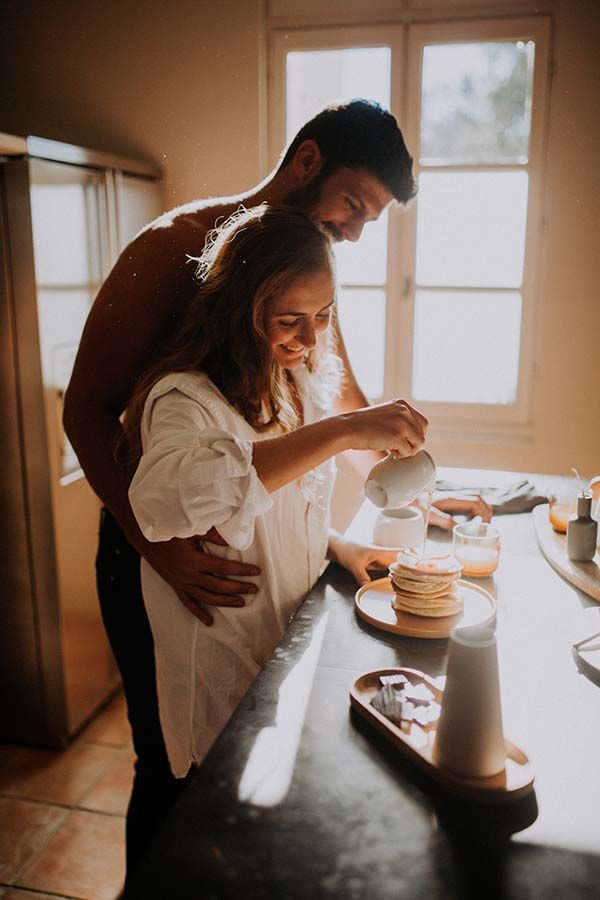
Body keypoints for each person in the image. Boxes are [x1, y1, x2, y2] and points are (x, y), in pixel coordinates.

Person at [63, 99, 491, 872]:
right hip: (151, 541)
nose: (355, 231)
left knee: (238, 752)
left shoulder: (301, 267)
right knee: (168, 761)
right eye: (353, 206)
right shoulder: (174, 248)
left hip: (241, 533)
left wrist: (418, 489)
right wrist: (153, 548)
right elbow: (85, 409)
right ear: (307, 164)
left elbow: (339, 402)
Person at [124, 204, 427, 777]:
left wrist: (339, 546)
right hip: (225, 661)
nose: (311, 337)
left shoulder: (294, 380)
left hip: (286, 645)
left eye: (323, 315)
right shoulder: (184, 399)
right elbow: (161, 503)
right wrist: (340, 431)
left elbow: (281, 502)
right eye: (291, 319)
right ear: (241, 309)